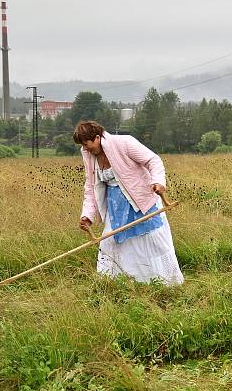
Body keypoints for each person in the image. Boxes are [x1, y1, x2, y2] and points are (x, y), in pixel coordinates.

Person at [74, 120, 184, 286]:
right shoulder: (89, 156)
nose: (85, 148)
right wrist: (87, 215)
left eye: (86, 144)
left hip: (140, 202)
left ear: (97, 137)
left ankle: (164, 284)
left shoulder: (124, 143)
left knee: (151, 241)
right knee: (111, 244)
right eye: (82, 146)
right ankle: (119, 285)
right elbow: (91, 187)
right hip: (116, 209)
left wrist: (158, 181)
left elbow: (153, 160)